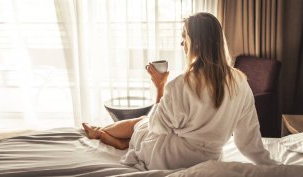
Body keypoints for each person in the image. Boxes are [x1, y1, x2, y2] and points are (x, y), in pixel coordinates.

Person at [82, 12, 278, 170]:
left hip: (170, 158)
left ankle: (101, 132)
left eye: (185, 37)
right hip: (211, 158)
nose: (182, 43)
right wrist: (272, 166)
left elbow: (157, 126)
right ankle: (107, 135)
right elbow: (248, 141)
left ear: (197, 43)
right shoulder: (240, 83)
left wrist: (160, 87)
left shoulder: (180, 84)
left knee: (142, 123)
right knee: (144, 126)